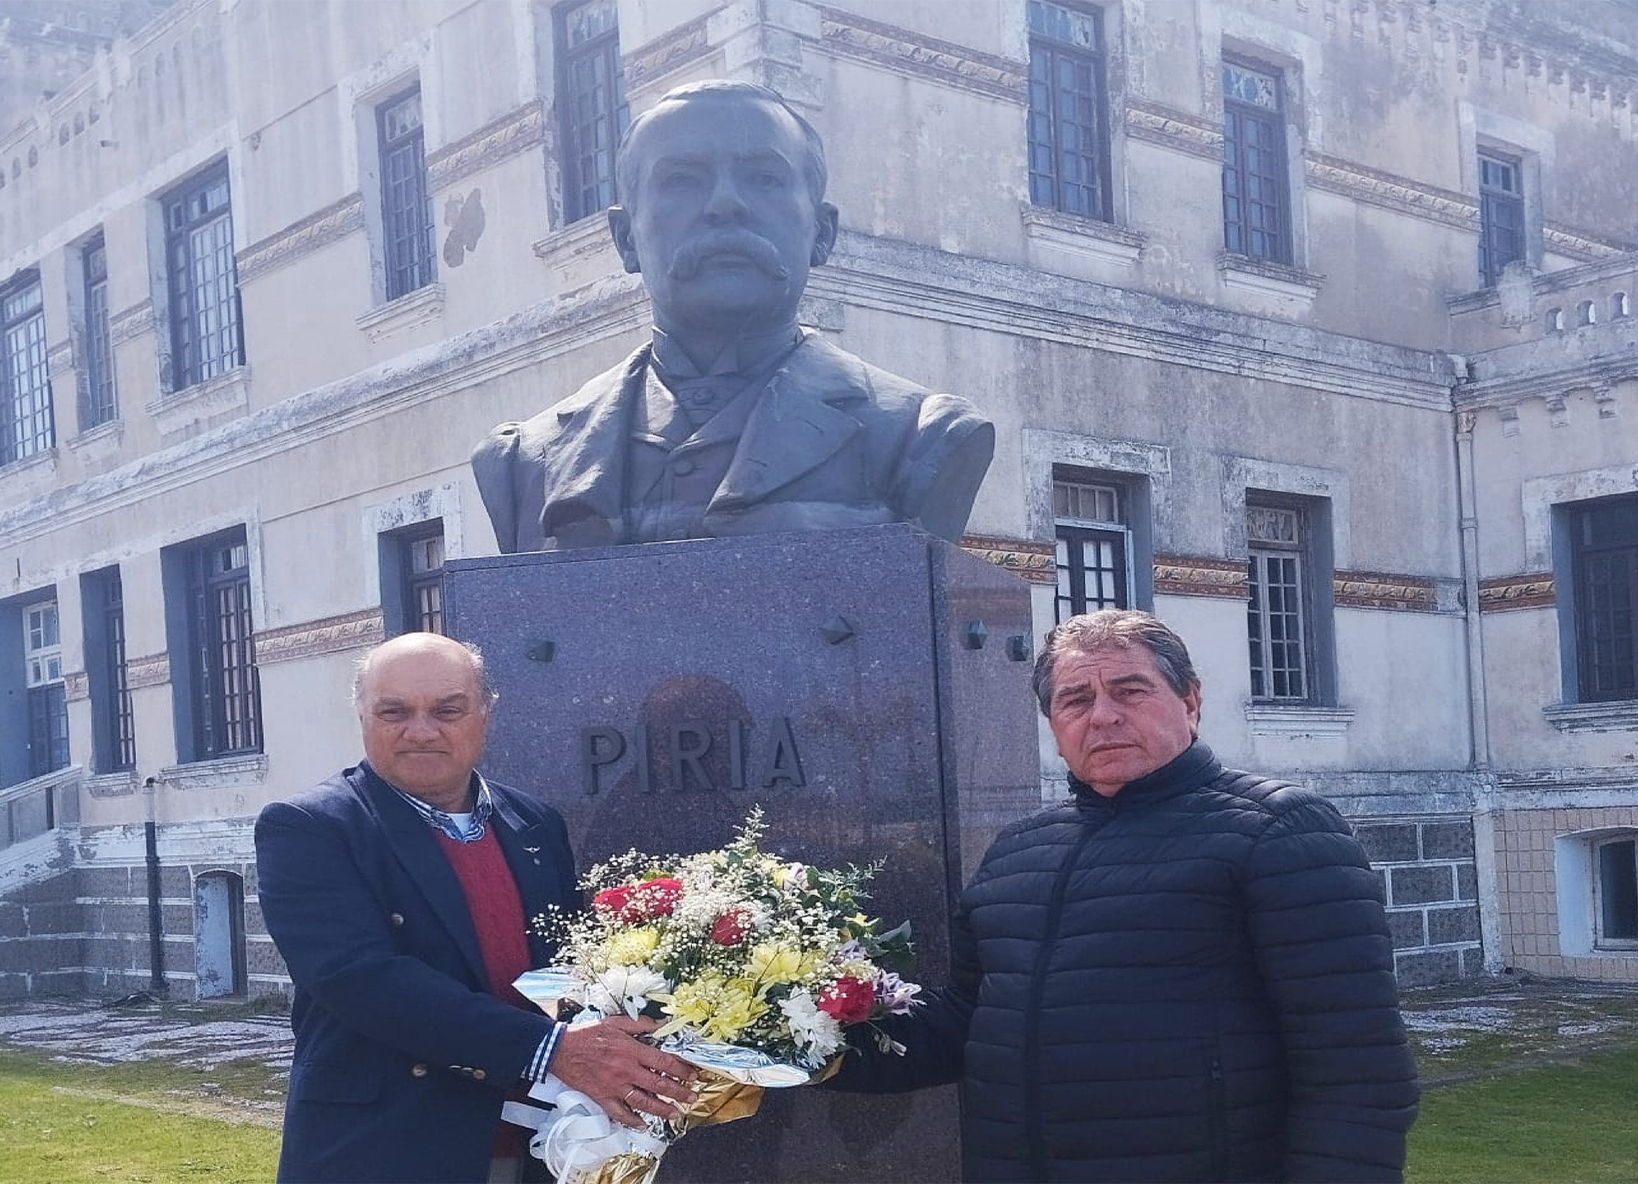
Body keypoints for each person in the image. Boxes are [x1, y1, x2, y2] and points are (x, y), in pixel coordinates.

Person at [833, 609, 1419, 1183]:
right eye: (1076, 699)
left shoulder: (1277, 830)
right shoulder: (1016, 851)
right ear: (1054, 725)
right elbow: (965, 1021)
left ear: (1189, 701)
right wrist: (799, 1030)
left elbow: (1356, 1068)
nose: (1103, 717)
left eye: (1130, 690)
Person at [472, 79, 994, 552]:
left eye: (764, 178)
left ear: (823, 232)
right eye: (681, 180)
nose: (724, 204)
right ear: (626, 239)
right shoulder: (524, 460)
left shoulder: (923, 436)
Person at [255, 632, 694, 1184]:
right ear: (362, 716)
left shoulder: (534, 822)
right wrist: (548, 1050)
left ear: (484, 714)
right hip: (390, 1146)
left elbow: (573, 967)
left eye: (448, 709)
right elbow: (358, 978)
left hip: (542, 1141)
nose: (421, 730)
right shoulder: (312, 827)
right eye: (394, 711)